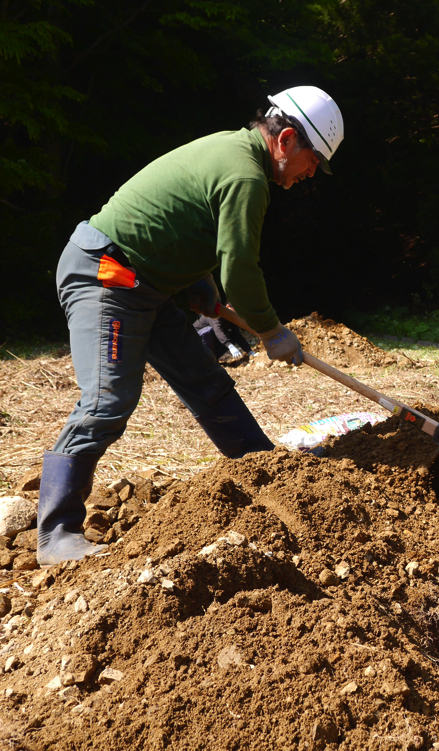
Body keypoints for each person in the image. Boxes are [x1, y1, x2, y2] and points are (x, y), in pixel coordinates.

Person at [38, 86, 344, 567]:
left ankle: (266, 471)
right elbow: (239, 269)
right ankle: (56, 533)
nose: (311, 173)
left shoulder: (233, 152)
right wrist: (271, 331)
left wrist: (198, 282)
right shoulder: (246, 176)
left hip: (146, 284)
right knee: (108, 399)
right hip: (108, 275)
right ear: (286, 139)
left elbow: (187, 219)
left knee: (204, 381)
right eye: (313, 160)